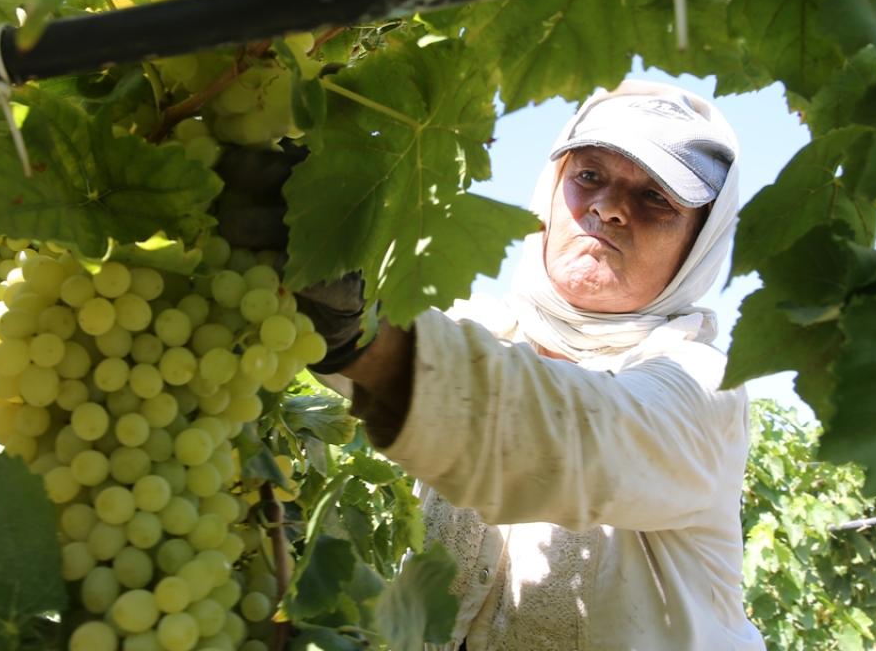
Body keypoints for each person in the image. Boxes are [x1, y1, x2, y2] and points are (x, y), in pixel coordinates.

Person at [222, 80, 764, 649]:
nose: (608, 208)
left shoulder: (703, 388)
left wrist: (367, 340)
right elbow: (347, 341)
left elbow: (584, 438)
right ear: (551, 190)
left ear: (699, 244)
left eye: (656, 198)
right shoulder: (481, 331)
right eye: (588, 176)